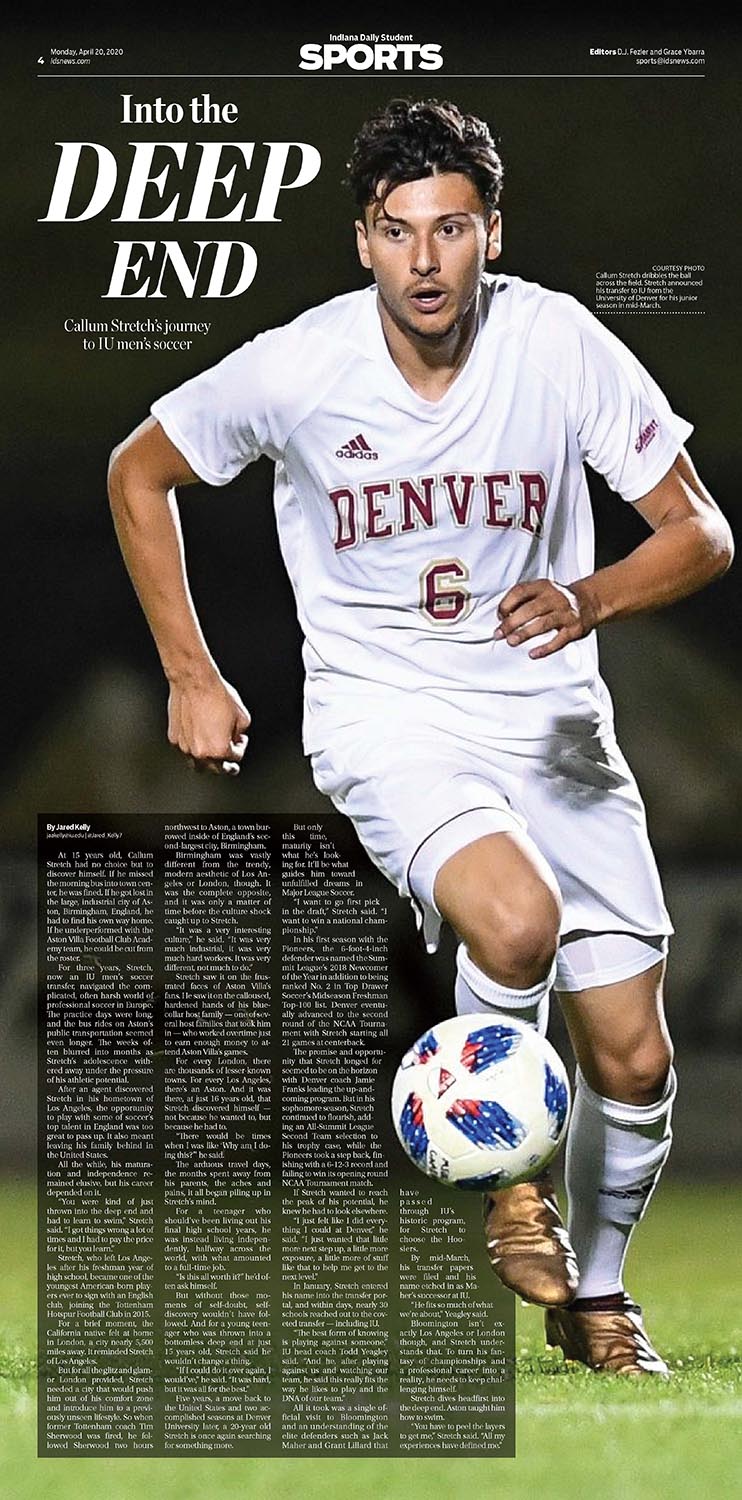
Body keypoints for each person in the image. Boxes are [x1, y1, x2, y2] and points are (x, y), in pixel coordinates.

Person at [108, 98, 733, 1377]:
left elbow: (703, 532)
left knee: (632, 1048)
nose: (427, 260)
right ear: (363, 243)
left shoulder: (558, 343)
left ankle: (597, 1302)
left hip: (551, 724)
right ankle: (510, 1186)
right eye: (399, 232)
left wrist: (588, 596)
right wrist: (190, 670)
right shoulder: (299, 365)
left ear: (490, 234)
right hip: (386, 715)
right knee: (513, 921)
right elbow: (138, 470)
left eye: (452, 228)